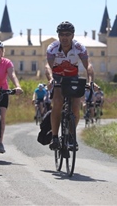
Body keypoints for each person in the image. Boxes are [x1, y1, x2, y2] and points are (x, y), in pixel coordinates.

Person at [45, 21, 95, 150]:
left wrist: (90, 81)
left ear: (72, 36)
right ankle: (55, 137)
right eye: (61, 34)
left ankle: (72, 136)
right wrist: (50, 79)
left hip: (72, 78)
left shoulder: (79, 47)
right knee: (57, 103)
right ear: (58, 35)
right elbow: (48, 66)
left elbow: (88, 65)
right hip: (57, 78)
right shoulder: (52, 48)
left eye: (67, 34)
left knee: (75, 106)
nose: (64, 37)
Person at [0, 39, 23, 153]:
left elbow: (12, 74)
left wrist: (17, 86)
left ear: (3, 52)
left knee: (2, 117)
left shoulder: (7, 62)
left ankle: (0, 142)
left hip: (3, 90)